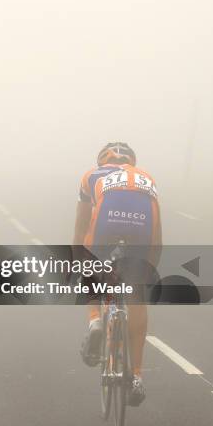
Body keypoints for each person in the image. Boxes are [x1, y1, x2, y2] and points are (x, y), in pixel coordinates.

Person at [73, 142, 162, 406]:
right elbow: (157, 233)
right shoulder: (146, 178)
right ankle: (136, 377)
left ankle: (95, 322)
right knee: (137, 295)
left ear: (102, 160)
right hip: (142, 225)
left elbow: (81, 228)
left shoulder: (91, 175)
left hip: (106, 222)